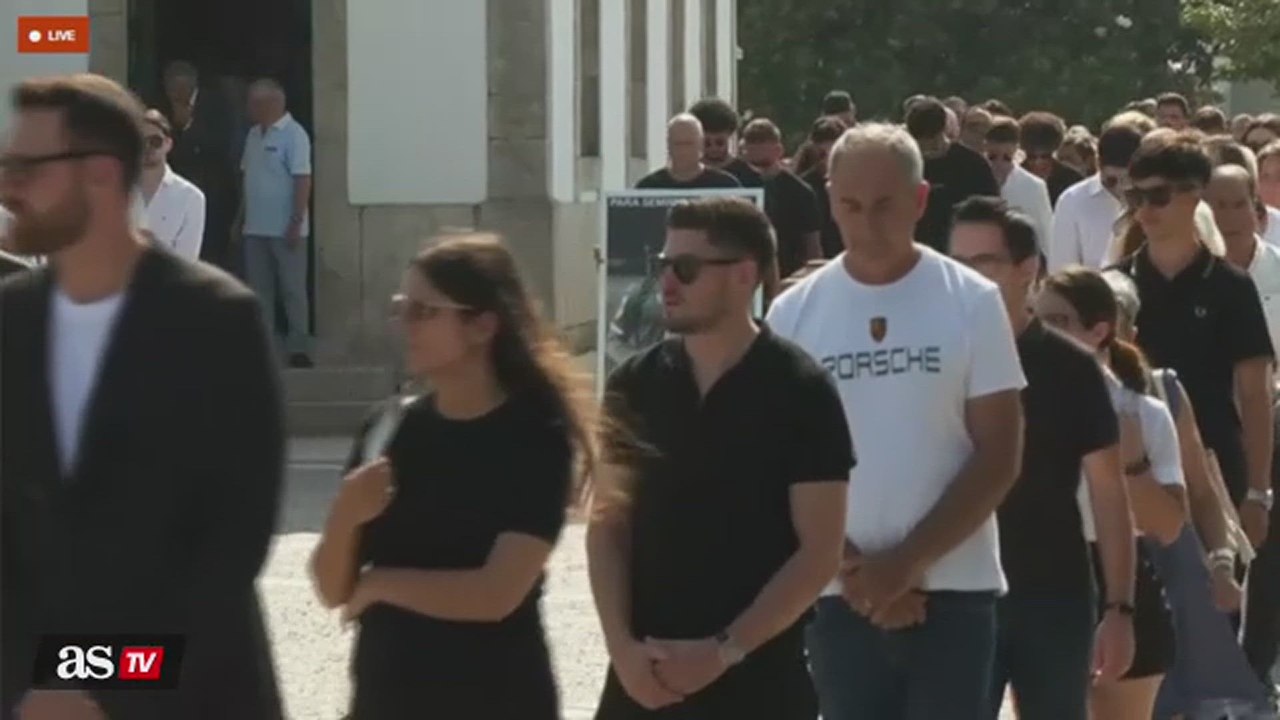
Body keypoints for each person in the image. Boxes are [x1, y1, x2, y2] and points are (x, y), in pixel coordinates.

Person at [0, 73, 284, 720]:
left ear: (99, 174)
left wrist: (95, 685)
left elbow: (225, 550)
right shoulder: (10, 324)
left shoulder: (215, 321)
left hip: (188, 698)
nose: (6, 187)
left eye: (24, 167)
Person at [768, 123, 1025, 720]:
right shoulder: (793, 314)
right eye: (850, 205)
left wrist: (906, 565)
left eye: (885, 204)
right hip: (838, 597)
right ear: (830, 201)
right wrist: (856, 572)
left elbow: (999, 452)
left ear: (919, 200)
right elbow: (774, 460)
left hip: (955, 592)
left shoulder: (972, 300)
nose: (866, 223)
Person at [589, 197, 853, 718]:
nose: (666, 282)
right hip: (645, 681)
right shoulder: (632, 386)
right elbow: (607, 527)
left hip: (759, 684)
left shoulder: (802, 390)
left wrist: (723, 651)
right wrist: (623, 652)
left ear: (744, 275)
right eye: (662, 265)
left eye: (685, 268)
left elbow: (820, 551)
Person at [311, 233, 592, 718]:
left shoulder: (534, 436)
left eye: (424, 312)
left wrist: (381, 584)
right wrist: (344, 517)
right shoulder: (389, 425)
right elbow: (334, 589)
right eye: (402, 308)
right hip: (386, 699)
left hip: (494, 698)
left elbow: (496, 593)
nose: (404, 326)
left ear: (482, 325)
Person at [947, 197, 1136, 720]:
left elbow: (1109, 493)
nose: (963, 277)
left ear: (1027, 269)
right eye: (954, 262)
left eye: (981, 262)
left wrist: (1120, 607)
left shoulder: (1072, 367)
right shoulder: (937, 359)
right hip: (955, 590)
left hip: (1053, 594)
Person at [1034, 267, 1190, 719]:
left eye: (1058, 321)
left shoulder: (1145, 413)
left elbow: (1169, 525)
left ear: (1099, 330)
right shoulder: (1014, 406)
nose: (1042, 333)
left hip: (1122, 581)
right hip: (1043, 579)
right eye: (1036, 319)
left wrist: (1132, 462)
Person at [1110, 131, 1274, 542]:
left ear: (1194, 197)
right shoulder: (1113, 287)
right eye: (1135, 197)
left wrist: (1258, 491)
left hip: (1215, 466)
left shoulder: (1230, 287)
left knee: (1219, 599)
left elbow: (1254, 394)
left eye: (1158, 197)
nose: (1145, 211)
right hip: (1133, 468)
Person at [234, 78, 314, 368]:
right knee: (259, 291)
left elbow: (302, 179)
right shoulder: (253, 135)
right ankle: (265, 348)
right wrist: (239, 219)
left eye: (255, 103)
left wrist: (296, 220)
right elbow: (248, 179)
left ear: (273, 104)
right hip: (255, 228)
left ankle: (298, 348)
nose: (250, 108)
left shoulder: (295, 135)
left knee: (292, 289)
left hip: (286, 228)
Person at [905, 98, 1001, 252]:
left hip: (963, 253)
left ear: (943, 131)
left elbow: (992, 213)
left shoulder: (973, 165)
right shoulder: (903, 166)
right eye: (921, 143)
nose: (928, 149)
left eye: (932, 140)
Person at [1048, 122, 1143, 271]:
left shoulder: (1155, 200)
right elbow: (1061, 270)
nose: (1121, 189)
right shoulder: (1072, 200)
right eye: (1112, 181)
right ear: (1098, 164)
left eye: (1128, 181)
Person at [739, 118, 822, 278]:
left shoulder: (801, 193)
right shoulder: (738, 188)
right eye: (753, 165)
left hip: (789, 276)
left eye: (765, 165)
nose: (759, 173)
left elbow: (812, 249)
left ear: (779, 151)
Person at [138, 109, 205, 261]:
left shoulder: (191, 197)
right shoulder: (115, 191)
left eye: (155, 141)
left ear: (168, 144)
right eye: (141, 141)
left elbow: (187, 260)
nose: (148, 147)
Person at [984, 118, 1053, 252]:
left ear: (1016, 152)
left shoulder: (1034, 187)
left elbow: (1046, 237)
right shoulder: (972, 180)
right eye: (992, 157)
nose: (999, 164)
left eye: (1006, 158)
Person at [636, 114, 741, 189]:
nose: (684, 150)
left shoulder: (725, 186)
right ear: (668, 145)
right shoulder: (648, 187)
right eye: (678, 144)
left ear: (701, 144)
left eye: (689, 144)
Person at [687, 97, 762, 187]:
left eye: (720, 142)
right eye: (707, 143)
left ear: (730, 136)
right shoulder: (686, 174)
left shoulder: (750, 176)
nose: (713, 148)